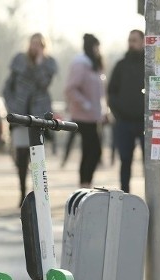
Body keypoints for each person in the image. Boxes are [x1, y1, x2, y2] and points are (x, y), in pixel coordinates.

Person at [3, 33, 57, 206]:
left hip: (38, 116)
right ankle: (21, 193)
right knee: (21, 157)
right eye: (33, 43)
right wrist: (12, 105)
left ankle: (38, 192)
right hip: (20, 115)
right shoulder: (19, 60)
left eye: (39, 44)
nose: (35, 47)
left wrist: (40, 62)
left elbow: (44, 84)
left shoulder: (48, 63)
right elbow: (8, 86)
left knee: (37, 158)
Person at [64, 33, 106, 188]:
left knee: (92, 152)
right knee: (92, 151)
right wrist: (85, 104)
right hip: (82, 116)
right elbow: (70, 89)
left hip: (94, 117)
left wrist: (103, 110)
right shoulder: (80, 64)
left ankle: (86, 183)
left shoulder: (94, 65)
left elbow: (100, 92)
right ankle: (84, 184)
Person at [107, 29, 145, 193]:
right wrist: (118, 113)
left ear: (143, 42)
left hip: (145, 122)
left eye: (135, 40)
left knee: (150, 162)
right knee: (125, 161)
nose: (131, 43)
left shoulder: (149, 65)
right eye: (130, 40)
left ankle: (151, 197)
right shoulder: (120, 66)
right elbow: (111, 92)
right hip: (124, 123)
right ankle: (125, 196)